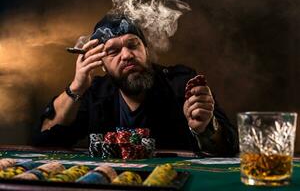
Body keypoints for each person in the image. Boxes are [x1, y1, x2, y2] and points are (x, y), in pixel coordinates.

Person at [33, 14, 238, 157]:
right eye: (113, 51)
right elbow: (45, 143)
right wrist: (76, 88)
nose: (127, 55)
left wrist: (205, 129)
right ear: (101, 64)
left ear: (146, 51)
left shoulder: (181, 83)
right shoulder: (94, 92)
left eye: (133, 45)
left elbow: (229, 147)